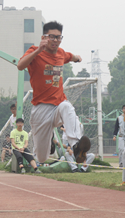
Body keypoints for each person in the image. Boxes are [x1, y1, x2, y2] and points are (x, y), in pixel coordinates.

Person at [17, 21, 90, 165]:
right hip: (41, 109)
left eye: (58, 37)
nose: (55, 40)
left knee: (67, 107)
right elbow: (20, 66)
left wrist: (77, 58)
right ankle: (49, 141)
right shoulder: (34, 51)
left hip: (58, 105)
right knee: (42, 158)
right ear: (44, 37)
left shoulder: (61, 54)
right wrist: (38, 50)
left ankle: (76, 147)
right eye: (52, 37)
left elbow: (71, 56)